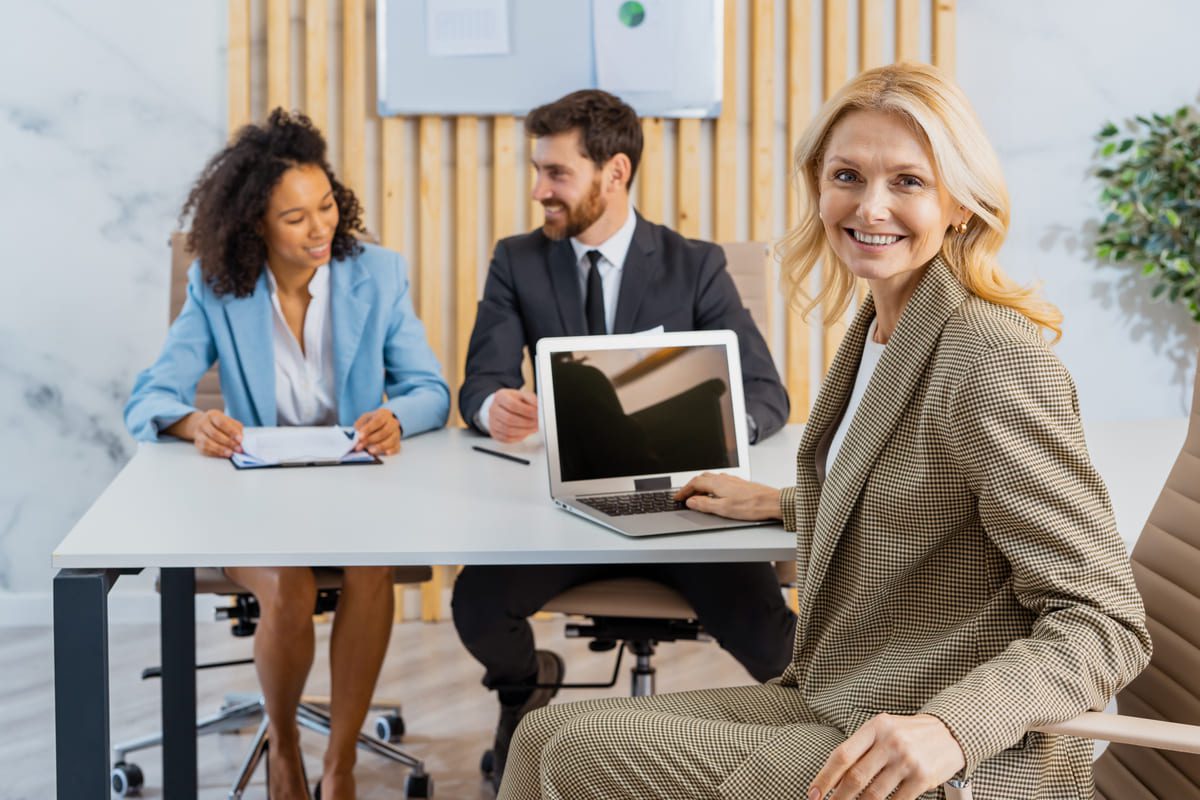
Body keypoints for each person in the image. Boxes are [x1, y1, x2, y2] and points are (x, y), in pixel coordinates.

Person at [497, 63, 1152, 800]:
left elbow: (1104, 622)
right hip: (840, 693)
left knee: (577, 752)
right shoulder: (881, 327)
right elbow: (922, 503)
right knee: (540, 733)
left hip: (935, 747)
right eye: (847, 176)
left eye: (908, 181)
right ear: (818, 185)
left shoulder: (990, 358)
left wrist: (952, 728)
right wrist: (781, 503)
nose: (871, 207)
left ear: (961, 206)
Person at [452, 89, 797, 789]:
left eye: (556, 173)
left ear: (615, 173)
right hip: (567, 516)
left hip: (683, 506)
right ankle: (524, 692)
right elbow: (480, 382)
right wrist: (493, 408)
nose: (539, 190)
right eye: (538, 170)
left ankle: (817, 752)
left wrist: (712, 436)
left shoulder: (693, 264)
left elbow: (767, 395)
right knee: (476, 607)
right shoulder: (518, 260)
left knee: (775, 640)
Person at [124, 109, 450, 800]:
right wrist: (194, 423)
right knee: (289, 585)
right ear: (256, 225)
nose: (320, 227)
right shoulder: (218, 287)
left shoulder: (378, 275)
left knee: (371, 567)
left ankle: (340, 762)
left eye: (327, 205)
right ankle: (284, 746)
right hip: (255, 499)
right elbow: (151, 396)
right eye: (295, 217)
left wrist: (395, 417)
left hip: (352, 491)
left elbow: (430, 389)